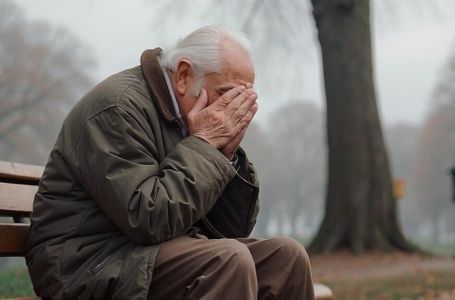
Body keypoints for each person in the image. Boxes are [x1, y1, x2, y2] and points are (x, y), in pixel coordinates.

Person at [25, 26, 315, 300]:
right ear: (184, 76)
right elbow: (148, 219)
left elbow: (230, 231)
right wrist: (204, 147)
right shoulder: (117, 109)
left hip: (146, 250)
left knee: (287, 258)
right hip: (86, 260)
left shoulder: (194, 117)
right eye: (227, 94)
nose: (234, 111)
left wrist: (225, 156)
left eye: (244, 98)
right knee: (227, 260)